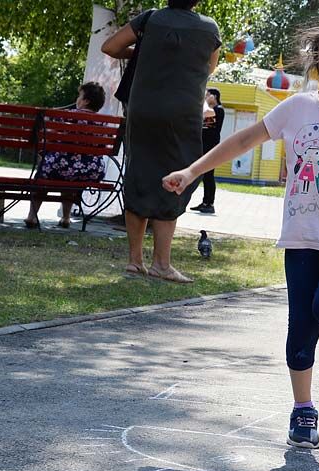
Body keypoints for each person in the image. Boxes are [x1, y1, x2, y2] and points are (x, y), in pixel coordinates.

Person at [163, 14, 319, 448]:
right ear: (316, 69)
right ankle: (303, 410)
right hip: (301, 235)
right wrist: (191, 170)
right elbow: (242, 143)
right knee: (301, 326)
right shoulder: (297, 108)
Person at [101, 0, 221, 282]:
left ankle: (134, 261)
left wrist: (145, 54)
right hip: (182, 112)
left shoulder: (149, 19)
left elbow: (110, 47)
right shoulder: (209, 28)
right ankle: (161, 264)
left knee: (139, 171)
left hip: (143, 108)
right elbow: (210, 67)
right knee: (176, 177)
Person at [24, 82, 108, 229]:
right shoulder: (104, 123)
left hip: (61, 168)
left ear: (86, 101)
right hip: (91, 171)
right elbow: (102, 147)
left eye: (79, 96)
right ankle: (66, 217)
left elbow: (50, 139)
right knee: (71, 172)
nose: (77, 99)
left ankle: (32, 216)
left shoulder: (66, 116)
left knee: (48, 170)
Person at [191, 88, 225, 214]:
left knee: (209, 175)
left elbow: (206, 113)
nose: (206, 96)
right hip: (204, 145)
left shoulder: (219, 109)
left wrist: (203, 100)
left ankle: (210, 204)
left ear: (214, 96)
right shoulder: (210, 109)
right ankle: (205, 202)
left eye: (208, 95)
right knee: (205, 175)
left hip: (212, 146)